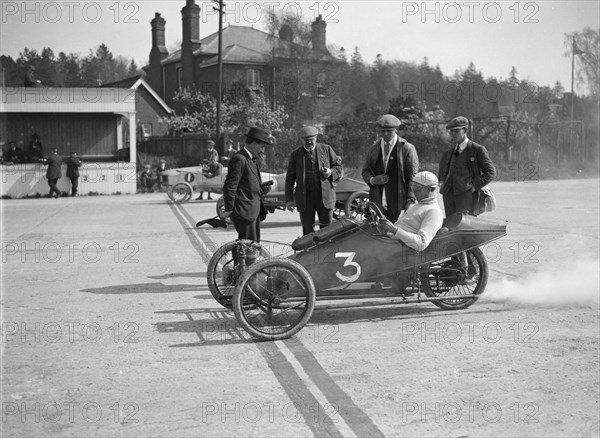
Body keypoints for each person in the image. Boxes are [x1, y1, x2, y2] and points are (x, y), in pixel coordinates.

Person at [285, 126, 343, 236]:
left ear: (316, 138)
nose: (309, 142)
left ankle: (327, 253)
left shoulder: (326, 149)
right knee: (307, 232)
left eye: (311, 139)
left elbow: (338, 168)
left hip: (325, 198)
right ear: (301, 140)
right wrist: (289, 200)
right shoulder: (296, 155)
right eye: (306, 140)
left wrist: (330, 172)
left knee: (327, 232)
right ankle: (310, 252)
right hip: (305, 199)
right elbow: (290, 179)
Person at [362, 114, 419, 223]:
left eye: (389, 131)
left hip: (399, 201)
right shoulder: (374, 148)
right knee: (378, 234)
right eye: (382, 131)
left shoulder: (407, 148)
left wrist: (410, 199)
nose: (385, 134)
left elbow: (413, 176)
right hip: (377, 200)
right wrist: (373, 180)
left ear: (395, 130)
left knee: (398, 233)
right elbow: (365, 170)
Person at [221, 127, 273, 242]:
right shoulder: (240, 159)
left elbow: (247, 184)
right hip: (244, 212)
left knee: (251, 248)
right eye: (262, 147)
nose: (262, 150)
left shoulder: (251, 159)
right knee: (247, 249)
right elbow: (230, 186)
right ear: (254, 144)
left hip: (253, 212)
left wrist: (261, 189)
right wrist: (229, 208)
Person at [438, 116, 496, 217]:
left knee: (466, 227)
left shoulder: (477, 150)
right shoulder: (449, 152)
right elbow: (443, 171)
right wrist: (442, 183)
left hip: (467, 197)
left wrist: (474, 187)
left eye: (456, 131)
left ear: (464, 130)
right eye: (451, 131)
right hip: (449, 195)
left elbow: (491, 172)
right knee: (451, 225)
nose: (452, 134)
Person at [380, 171, 443, 252]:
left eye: (418, 188)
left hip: (399, 252)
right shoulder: (417, 205)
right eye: (413, 187)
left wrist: (394, 230)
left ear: (430, 189)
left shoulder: (433, 212)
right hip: (390, 242)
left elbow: (421, 244)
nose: (414, 192)